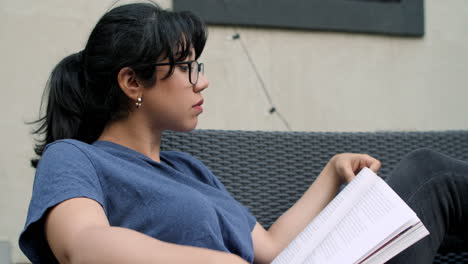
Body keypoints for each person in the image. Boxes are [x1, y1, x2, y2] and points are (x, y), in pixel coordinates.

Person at [19, 2, 467, 264]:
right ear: (132, 82)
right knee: (432, 176)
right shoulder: (76, 158)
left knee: (429, 181)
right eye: (185, 67)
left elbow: (269, 248)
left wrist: (331, 173)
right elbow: (83, 245)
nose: (201, 80)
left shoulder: (187, 169)